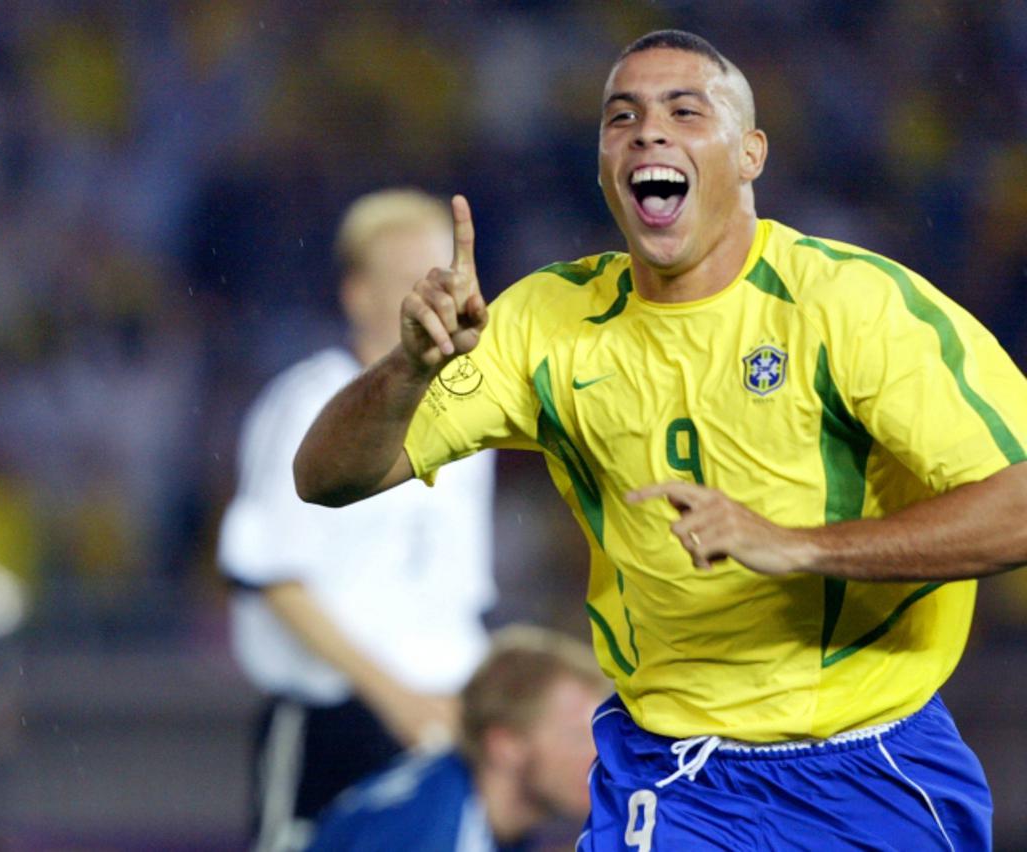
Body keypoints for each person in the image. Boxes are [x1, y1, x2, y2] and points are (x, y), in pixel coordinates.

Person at [294, 29, 1027, 851]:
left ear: (751, 154)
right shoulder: (545, 323)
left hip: (870, 769)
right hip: (669, 778)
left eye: (685, 110)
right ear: (607, 164)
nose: (648, 131)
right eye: (622, 117)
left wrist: (798, 547)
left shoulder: (853, 307)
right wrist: (408, 369)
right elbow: (325, 478)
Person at [218, 189, 498, 852]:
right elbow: (272, 577)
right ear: (357, 294)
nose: (430, 295)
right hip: (337, 720)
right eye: (409, 280)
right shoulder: (309, 402)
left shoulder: (474, 411)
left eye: (442, 276)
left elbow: (458, 592)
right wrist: (393, 698)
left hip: (447, 716)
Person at [308, 625, 611, 852]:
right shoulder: (418, 834)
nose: (605, 756)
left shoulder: (468, 811)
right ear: (505, 746)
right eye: (578, 736)